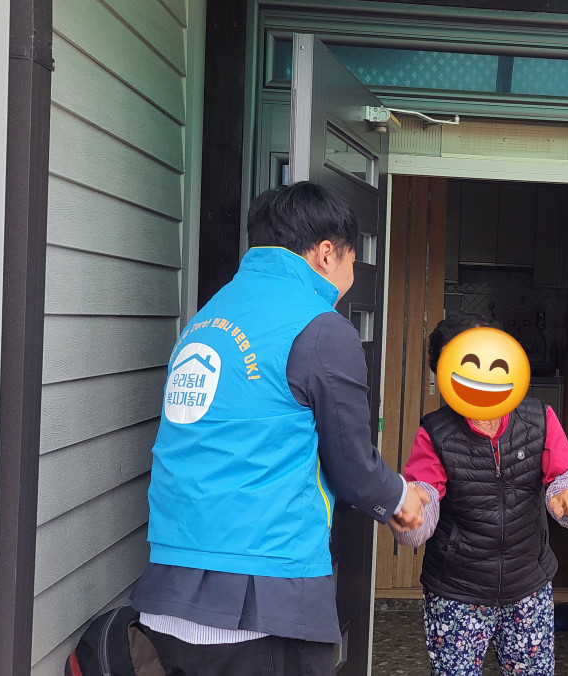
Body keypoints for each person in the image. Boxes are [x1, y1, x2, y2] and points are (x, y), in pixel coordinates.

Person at [132, 182, 426, 675]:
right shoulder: (320, 326)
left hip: (169, 591)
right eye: (353, 262)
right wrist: (400, 499)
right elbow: (352, 466)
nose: (352, 277)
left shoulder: (208, 315)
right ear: (327, 253)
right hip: (261, 600)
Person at [392, 313, 568, 676]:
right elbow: (425, 493)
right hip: (456, 590)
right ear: (442, 372)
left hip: (528, 585)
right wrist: (412, 517)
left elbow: (563, 475)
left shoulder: (540, 418)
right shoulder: (435, 431)